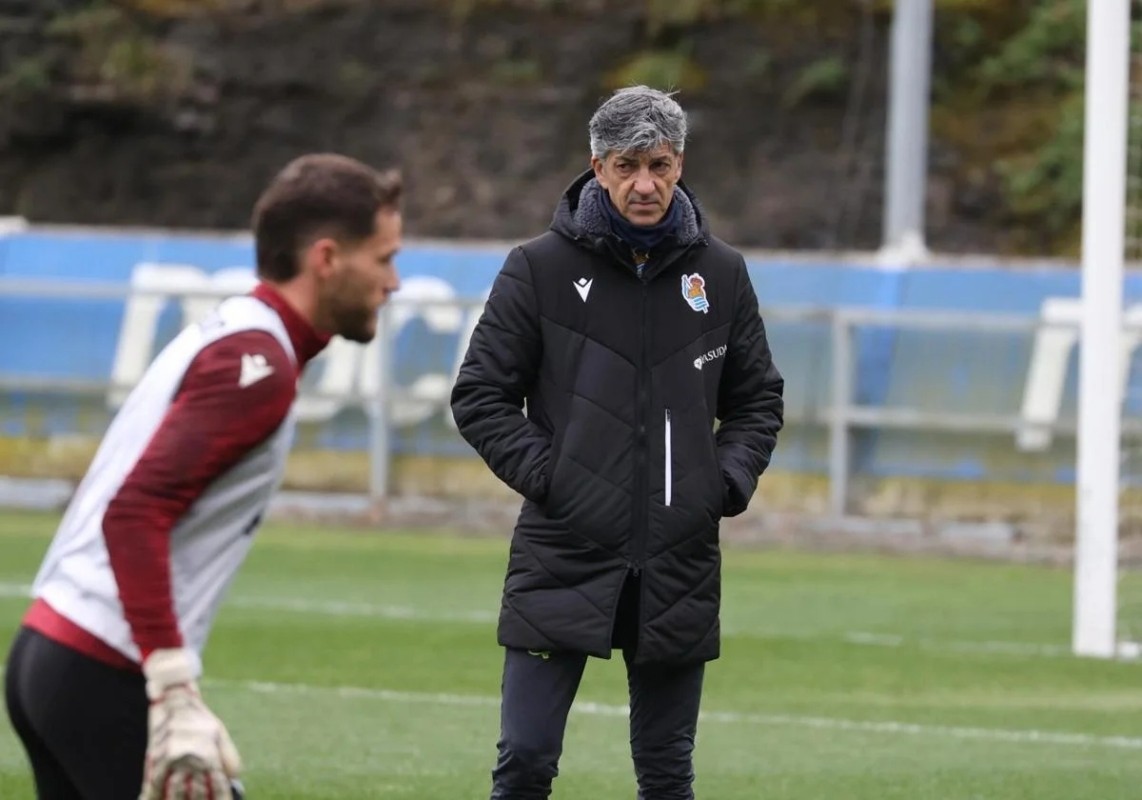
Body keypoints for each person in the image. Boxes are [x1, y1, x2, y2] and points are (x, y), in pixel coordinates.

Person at [3, 152, 403, 800]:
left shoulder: (241, 336)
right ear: (327, 258)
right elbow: (134, 509)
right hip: (100, 668)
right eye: (383, 258)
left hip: (56, 652)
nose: (394, 282)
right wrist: (172, 685)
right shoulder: (258, 364)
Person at [450, 86, 785, 799]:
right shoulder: (537, 268)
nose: (645, 185)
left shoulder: (719, 275)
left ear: (680, 164)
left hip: (678, 558)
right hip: (562, 548)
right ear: (597, 166)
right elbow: (479, 395)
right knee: (527, 761)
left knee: (668, 776)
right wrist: (554, 477)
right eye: (628, 165)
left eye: (659, 166)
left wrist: (720, 484)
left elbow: (758, 400)